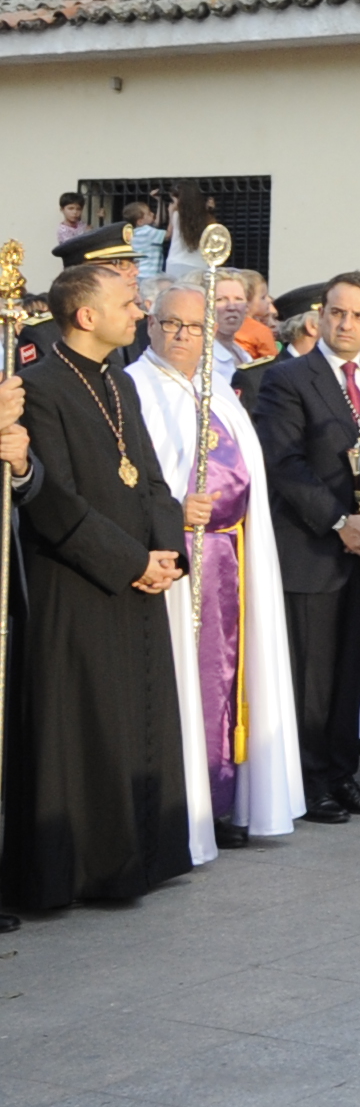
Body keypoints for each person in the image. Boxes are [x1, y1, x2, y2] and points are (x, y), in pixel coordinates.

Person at [4, 259, 193, 911]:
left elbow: (152, 476)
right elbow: (50, 500)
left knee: (134, 717)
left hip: (137, 574)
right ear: (86, 315)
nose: (140, 311)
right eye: (128, 302)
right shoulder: (40, 386)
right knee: (86, 727)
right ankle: (83, 871)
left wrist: (167, 550)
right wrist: (129, 561)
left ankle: (139, 857)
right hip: (78, 582)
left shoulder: (118, 381)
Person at [130, 281, 304, 856]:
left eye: (195, 326)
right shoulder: (135, 389)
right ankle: (192, 806)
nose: (183, 336)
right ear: (149, 324)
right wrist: (174, 510)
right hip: (182, 559)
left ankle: (228, 799)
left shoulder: (217, 389)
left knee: (232, 679)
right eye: (171, 324)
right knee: (191, 680)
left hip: (234, 553)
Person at [251, 270, 360, 825]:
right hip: (312, 550)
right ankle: (309, 780)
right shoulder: (287, 379)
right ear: (319, 316)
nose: (346, 324)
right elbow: (284, 464)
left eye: (359, 315)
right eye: (337, 313)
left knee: (352, 669)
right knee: (313, 677)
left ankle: (342, 773)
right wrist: (339, 522)